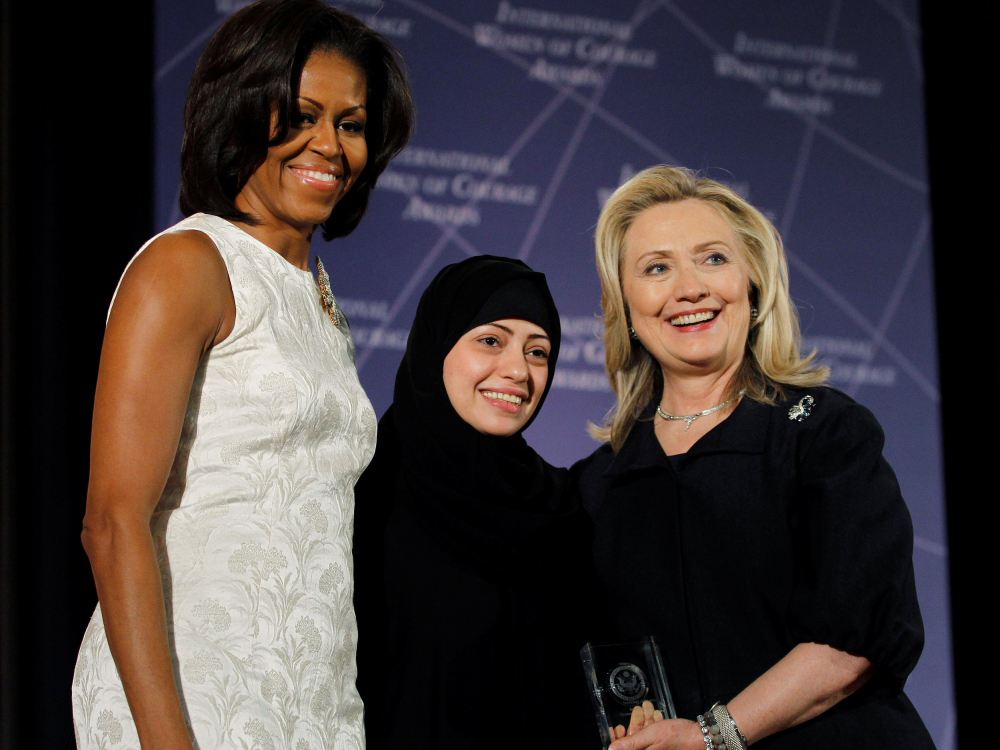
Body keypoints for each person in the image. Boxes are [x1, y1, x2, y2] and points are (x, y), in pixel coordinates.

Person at [72, 2, 413, 748]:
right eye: (300, 114)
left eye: (350, 124)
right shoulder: (187, 264)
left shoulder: (319, 298)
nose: (329, 144)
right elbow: (112, 521)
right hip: (191, 700)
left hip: (311, 706)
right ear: (240, 110)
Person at [573, 166, 934, 750]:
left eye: (713, 258)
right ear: (626, 308)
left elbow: (855, 639)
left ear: (754, 284)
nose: (690, 287)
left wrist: (713, 736)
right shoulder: (597, 486)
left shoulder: (826, 435)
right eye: (657, 267)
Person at [353, 256, 594, 750]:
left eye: (538, 352)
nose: (517, 371)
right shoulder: (365, 494)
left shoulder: (559, 506)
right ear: (436, 343)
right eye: (490, 340)